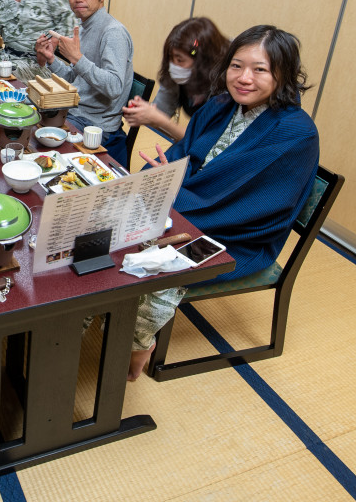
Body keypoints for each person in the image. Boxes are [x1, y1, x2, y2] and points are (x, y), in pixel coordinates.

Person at [128, 25, 320, 380]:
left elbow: (254, 204)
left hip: (236, 236)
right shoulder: (220, 105)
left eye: (260, 69)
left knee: (154, 265)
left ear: (283, 73)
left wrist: (172, 198)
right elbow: (184, 155)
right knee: (116, 238)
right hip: (192, 209)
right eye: (237, 66)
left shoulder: (295, 132)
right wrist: (168, 176)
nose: (244, 78)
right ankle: (95, 320)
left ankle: (139, 341)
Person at [35, 0, 133, 167]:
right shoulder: (86, 26)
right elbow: (74, 78)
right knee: (25, 117)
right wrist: (51, 59)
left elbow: (115, 87)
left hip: (95, 126)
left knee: (37, 147)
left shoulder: (113, 32)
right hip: (74, 112)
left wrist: (78, 59)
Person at [122, 17, 229, 142]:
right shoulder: (175, 76)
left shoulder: (225, 86)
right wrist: (144, 111)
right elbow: (161, 111)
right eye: (171, 58)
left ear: (202, 62)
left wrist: (161, 120)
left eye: (180, 60)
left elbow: (205, 142)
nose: (173, 65)